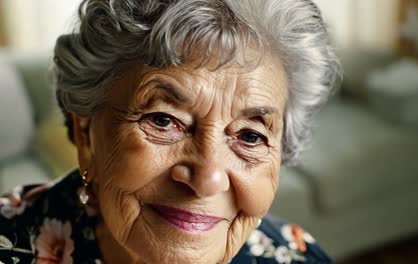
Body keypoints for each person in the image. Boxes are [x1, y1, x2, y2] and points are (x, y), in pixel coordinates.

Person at [0, 0, 340, 263]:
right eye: (163, 120)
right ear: (87, 135)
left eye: (251, 136)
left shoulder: (297, 256)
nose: (207, 179)